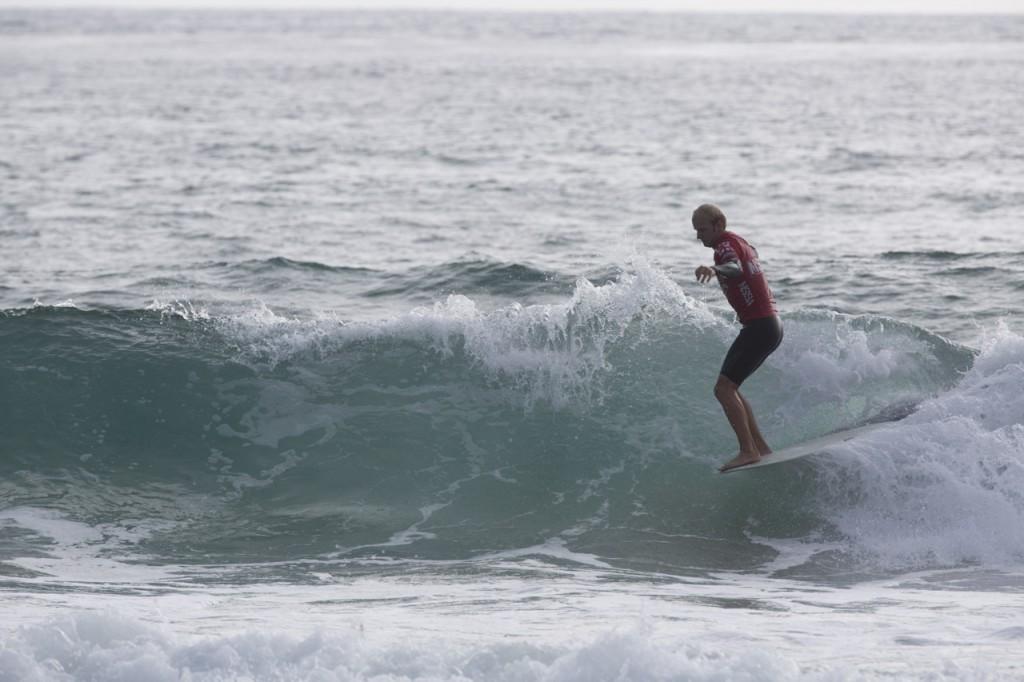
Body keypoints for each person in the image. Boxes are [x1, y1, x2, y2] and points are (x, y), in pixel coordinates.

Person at [692, 204, 783, 472]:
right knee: (731, 388)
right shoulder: (740, 242)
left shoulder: (724, 247)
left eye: (703, 229)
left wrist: (715, 269)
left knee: (723, 389)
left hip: (760, 326)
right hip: (769, 325)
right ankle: (760, 448)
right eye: (696, 231)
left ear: (719, 224)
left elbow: (734, 266)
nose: (699, 236)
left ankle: (748, 451)